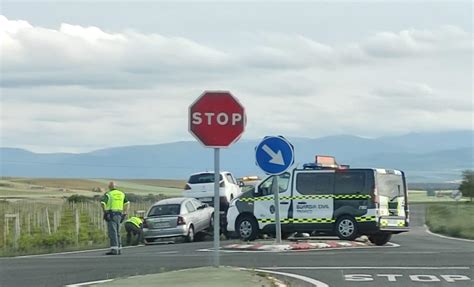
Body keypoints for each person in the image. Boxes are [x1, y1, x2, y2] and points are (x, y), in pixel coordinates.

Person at [101, 181, 129, 255]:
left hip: (111, 214)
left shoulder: (108, 194)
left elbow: (103, 203)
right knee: (118, 232)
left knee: (113, 232)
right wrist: (125, 212)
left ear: (109, 187)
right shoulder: (121, 194)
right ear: (116, 186)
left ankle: (114, 249)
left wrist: (105, 212)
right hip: (119, 214)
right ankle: (119, 249)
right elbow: (127, 203)